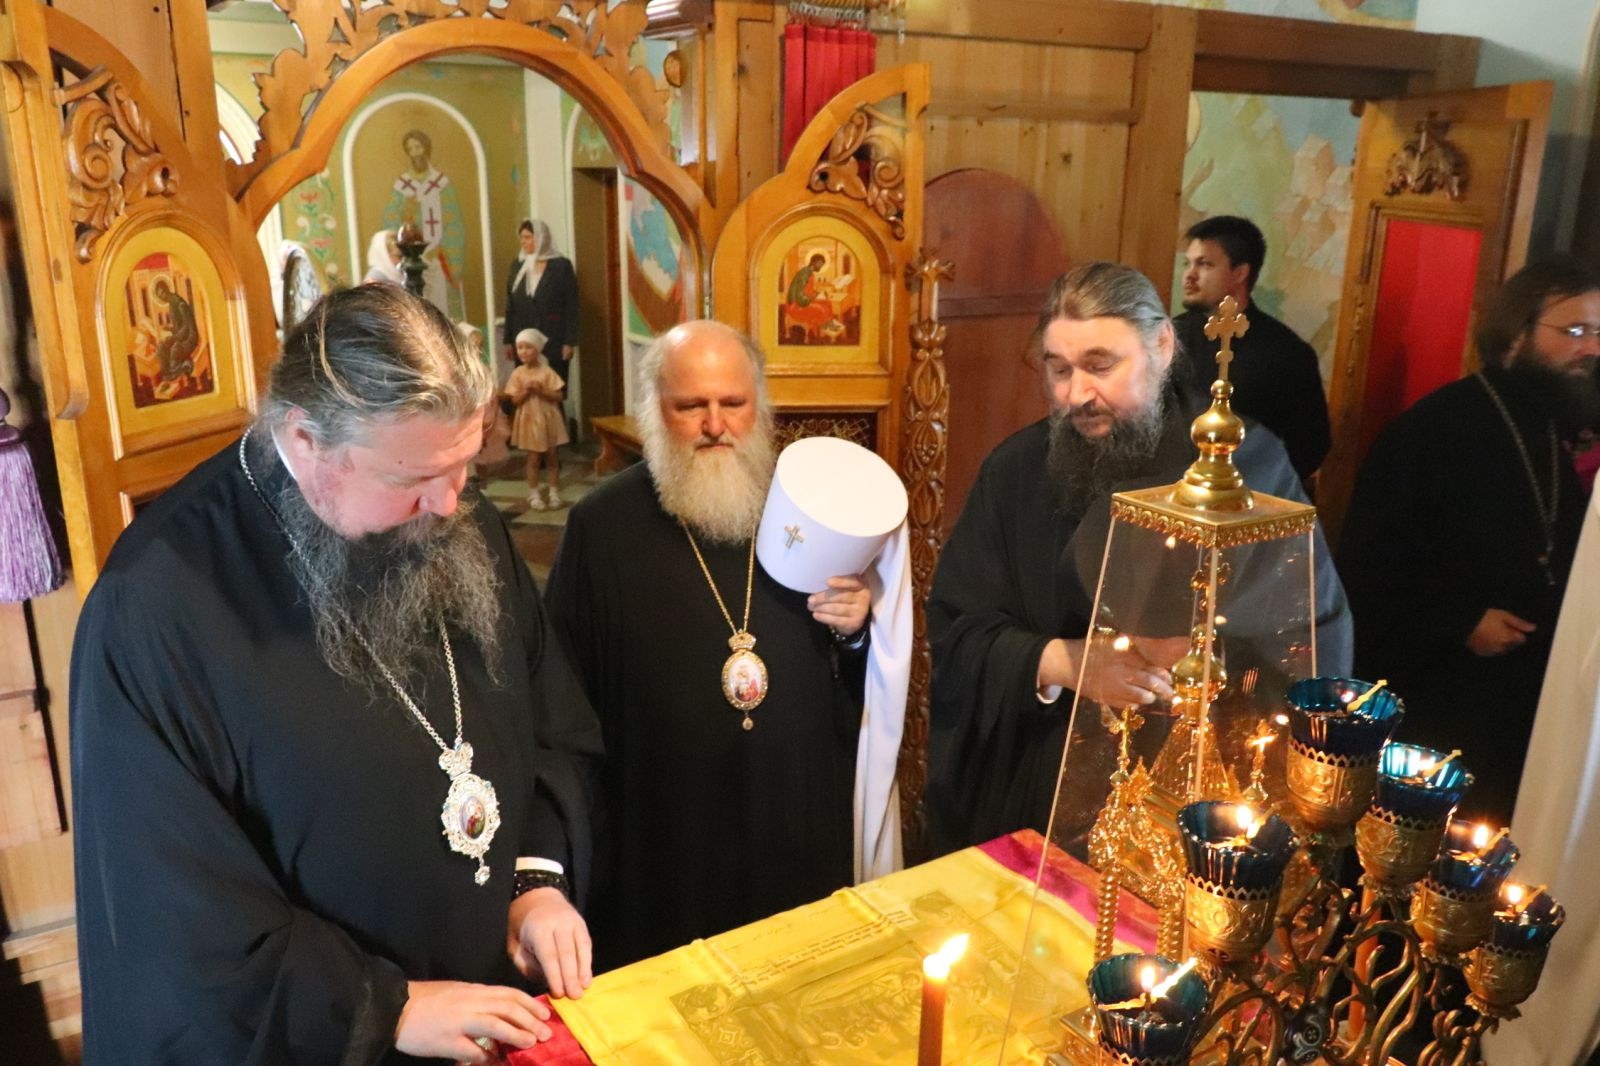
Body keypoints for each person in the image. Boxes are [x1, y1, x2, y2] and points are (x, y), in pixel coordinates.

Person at [70, 284, 604, 1064]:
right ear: (304, 437)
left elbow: (548, 717)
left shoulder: (457, 516)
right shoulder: (156, 607)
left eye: (465, 463)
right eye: (413, 479)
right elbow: (174, 908)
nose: (451, 504)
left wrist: (532, 885)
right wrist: (385, 1009)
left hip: (496, 1004)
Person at [925, 261, 1352, 856]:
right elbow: (957, 624)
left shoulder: (1247, 470)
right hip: (1042, 782)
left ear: (1162, 346)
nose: (1077, 395)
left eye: (1100, 366)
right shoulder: (1016, 469)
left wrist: (1208, 657)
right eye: (1059, 370)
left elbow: (1310, 633)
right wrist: (1062, 662)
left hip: (1198, 797)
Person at [543, 319, 871, 970]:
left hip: (791, 816)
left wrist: (857, 629)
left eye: (733, 403)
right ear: (654, 411)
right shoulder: (601, 528)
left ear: (760, 405)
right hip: (665, 834)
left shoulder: (805, 510)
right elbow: (561, 700)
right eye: (691, 406)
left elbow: (859, 680)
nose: (715, 425)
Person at [1338, 257, 1600, 820]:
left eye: (1599, 333)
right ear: (1516, 333)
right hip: (1442, 693)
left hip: (1526, 699)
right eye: (1575, 330)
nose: (1592, 349)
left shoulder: (1549, 427)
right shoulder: (1433, 431)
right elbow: (1367, 567)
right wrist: (1459, 622)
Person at [1173, 216, 1331, 485]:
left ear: (1240, 273)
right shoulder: (1170, 339)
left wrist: (1252, 489)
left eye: (1205, 264)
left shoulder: (1287, 353)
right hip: (1172, 490)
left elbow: (1310, 446)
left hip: (1244, 495)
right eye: (1188, 263)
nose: (1189, 275)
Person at [382, 129, 465, 319]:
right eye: (410, 149)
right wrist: (405, 211)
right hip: (411, 262)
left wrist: (443, 249)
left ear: (426, 149)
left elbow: (454, 221)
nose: (415, 153)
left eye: (418, 147)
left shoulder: (441, 183)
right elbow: (390, 221)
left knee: (441, 312)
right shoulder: (402, 186)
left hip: (438, 257)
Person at [502, 219, 580, 385]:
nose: (523, 242)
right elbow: (511, 305)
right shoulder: (517, 266)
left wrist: (569, 342)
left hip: (553, 337)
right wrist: (508, 340)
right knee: (525, 386)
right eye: (521, 237)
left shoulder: (561, 266)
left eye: (528, 237)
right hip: (524, 339)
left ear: (541, 238)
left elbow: (571, 305)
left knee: (553, 386)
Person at [506, 327, 568, 511]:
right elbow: (514, 400)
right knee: (533, 459)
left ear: (538, 349)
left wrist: (542, 391)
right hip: (530, 422)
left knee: (552, 458)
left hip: (548, 420)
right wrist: (526, 391)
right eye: (520, 347)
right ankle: (534, 494)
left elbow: (559, 396)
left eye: (528, 347)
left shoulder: (547, 372)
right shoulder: (518, 373)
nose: (523, 352)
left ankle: (554, 492)